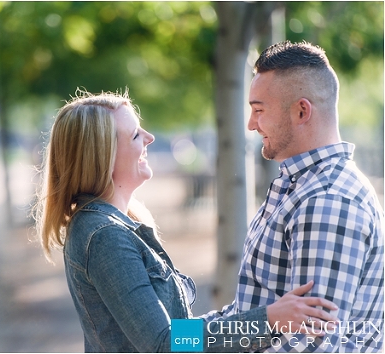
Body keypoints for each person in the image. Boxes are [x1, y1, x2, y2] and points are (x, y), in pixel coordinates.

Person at [34, 89, 340, 352]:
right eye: (136, 134)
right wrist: (268, 319)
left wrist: (256, 318)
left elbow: (177, 331)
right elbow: (166, 342)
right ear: (104, 154)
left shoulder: (114, 224)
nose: (150, 138)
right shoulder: (104, 236)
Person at [200, 41, 383, 352]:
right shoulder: (298, 188)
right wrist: (174, 340)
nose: (251, 124)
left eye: (258, 110)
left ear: (301, 111)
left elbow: (313, 346)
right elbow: (246, 315)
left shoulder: (327, 201)